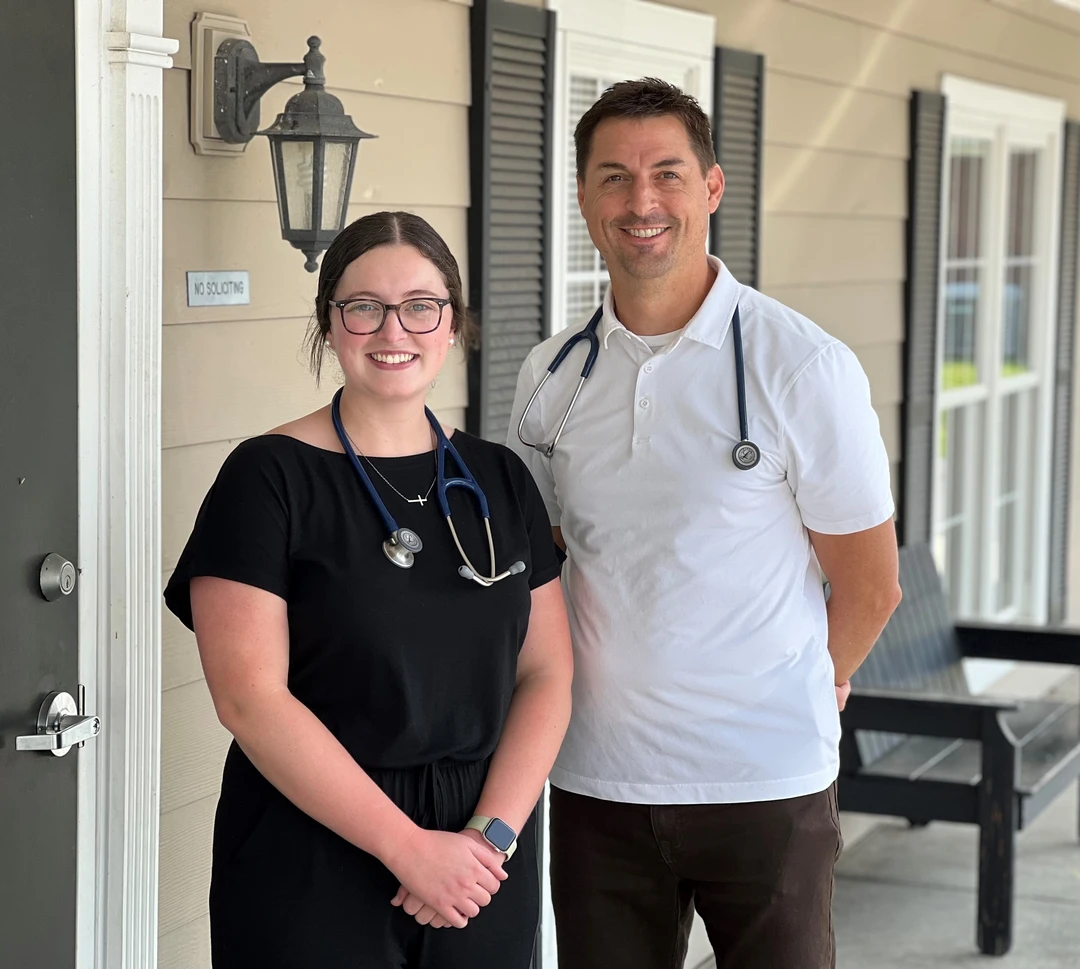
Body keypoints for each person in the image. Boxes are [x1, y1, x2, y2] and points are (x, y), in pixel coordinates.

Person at [508, 79, 901, 969]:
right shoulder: (551, 375)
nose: (640, 201)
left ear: (712, 187)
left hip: (766, 783)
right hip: (597, 779)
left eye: (667, 174)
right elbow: (545, 560)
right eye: (613, 177)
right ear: (583, 197)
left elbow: (872, 585)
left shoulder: (801, 365)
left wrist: (816, 679)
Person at [164, 211, 573, 969]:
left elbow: (547, 673)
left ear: (453, 323)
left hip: (481, 860)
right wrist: (407, 848)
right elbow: (250, 699)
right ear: (329, 323)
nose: (394, 329)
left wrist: (489, 839)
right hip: (313, 850)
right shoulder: (266, 479)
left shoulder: (501, 481)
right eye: (364, 306)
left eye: (421, 306)